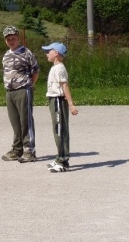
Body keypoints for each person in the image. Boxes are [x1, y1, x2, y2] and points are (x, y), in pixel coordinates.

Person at [1, 25, 39, 163]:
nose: (11, 41)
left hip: (23, 91)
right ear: (5, 41)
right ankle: (17, 150)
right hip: (10, 92)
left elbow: (35, 71)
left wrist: (29, 85)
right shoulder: (6, 55)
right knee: (15, 122)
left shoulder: (26, 53)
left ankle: (30, 150)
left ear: (18, 38)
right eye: (8, 39)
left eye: (13, 38)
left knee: (26, 121)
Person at [41, 42, 78, 172]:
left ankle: (63, 161)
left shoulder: (60, 68)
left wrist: (71, 104)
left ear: (56, 53)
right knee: (57, 130)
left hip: (58, 100)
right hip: (53, 99)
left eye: (48, 51)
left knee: (60, 130)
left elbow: (64, 86)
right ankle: (60, 158)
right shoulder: (55, 67)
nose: (46, 54)